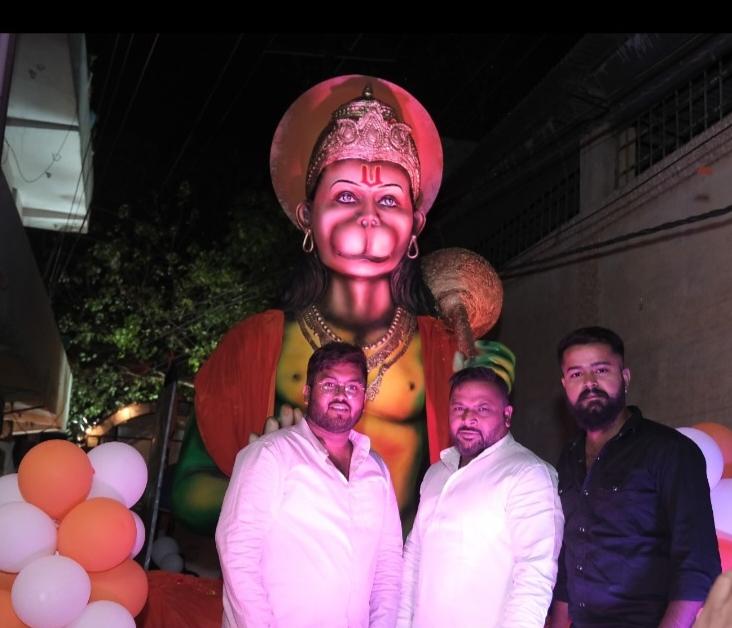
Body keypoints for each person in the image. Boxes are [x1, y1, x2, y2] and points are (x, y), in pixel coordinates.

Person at [173, 75, 461, 534]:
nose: (369, 217)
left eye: (389, 200)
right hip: (292, 587)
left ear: (415, 224)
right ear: (307, 216)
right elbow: (189, 491)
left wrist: (485, 394)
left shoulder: (448, 350)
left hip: (401, 593)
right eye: (345, 196)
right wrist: (266, 478)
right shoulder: (256, 344)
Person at [215, 342, 402, 628]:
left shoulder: (376, 470)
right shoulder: (271, 455)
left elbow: (388, 565)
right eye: (329, 385)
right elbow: (237, 551)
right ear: (307, 392)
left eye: (352, 388)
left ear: (364, 398)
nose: (341, 395)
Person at [550, 326, 721, 628]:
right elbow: (567, 559)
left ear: (625, 377)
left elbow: (698, 567)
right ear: (565, 385)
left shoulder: (671, 451)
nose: (589, 383)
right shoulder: (568, 458)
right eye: (576, 374)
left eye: (601, 370)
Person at [399, 365, 564, 627]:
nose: (468, 417)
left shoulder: (528, 474)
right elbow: (413, 559)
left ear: (507, 415)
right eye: (458, 407)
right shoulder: (436, 473)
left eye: (482, 408)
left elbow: (535, 574)